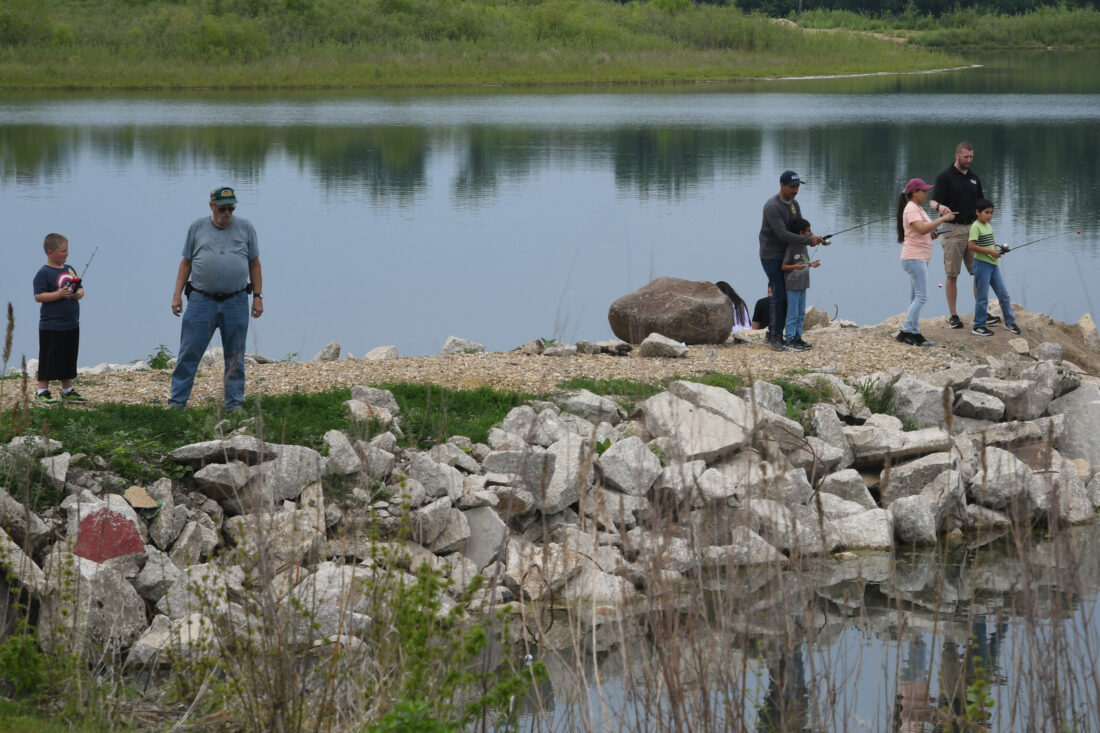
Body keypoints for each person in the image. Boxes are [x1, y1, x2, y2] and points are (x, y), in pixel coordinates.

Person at [169, 186, 264, 411]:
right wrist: (176, 295)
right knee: (189, 353)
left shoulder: (246, 228)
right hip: (201, 301)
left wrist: (258, 297)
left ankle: (234, 405)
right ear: (212, 206)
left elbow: (255, 264)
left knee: (236, 357)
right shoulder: (197, 228)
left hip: (236, 301)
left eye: (231, 208)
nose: (227, 213)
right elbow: (185, 263)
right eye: (223, 209)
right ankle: (176, 403)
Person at [929, 141, 1000, 329]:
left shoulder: (974, 178)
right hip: (952, 230)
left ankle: (982, 312)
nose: (968, 160)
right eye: (965, 157)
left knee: (980, 272)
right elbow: (933, 202)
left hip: (973, 229)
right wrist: (940, 207)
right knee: (952, 274)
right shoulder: (944, 176)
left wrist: (987, 228)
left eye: (971, 157)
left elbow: (981, 205)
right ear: (957, 156)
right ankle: (954, 316)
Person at [759, 170, 823, 351]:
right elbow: (782, 234)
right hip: (772, 255)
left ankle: (781, 333)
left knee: (789, 297)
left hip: (791, 253)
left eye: (797, 187)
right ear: (782, 185)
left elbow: (799, 227)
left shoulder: (794, 204)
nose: (795, 190)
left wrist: (814, 237)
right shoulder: (772, 207)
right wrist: (807, 240)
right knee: (779, 295)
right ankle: (775, 337)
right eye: (792, 187)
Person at [895, 178, 955, 347]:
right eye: (924, 191)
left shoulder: (918, 208)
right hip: (914, 257)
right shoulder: (911, 208)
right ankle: (905, 332)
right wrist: (942, 219)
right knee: (922, 297)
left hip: (919, 257)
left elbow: (923, 231)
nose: (927, 193)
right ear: (914, 192)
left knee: (915, 297)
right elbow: (921, 229)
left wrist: (933, 234)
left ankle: (915, 332)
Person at [33, 233, 87, 404]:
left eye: (67, 250)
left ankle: (67, 390)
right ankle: (42, 391)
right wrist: (59, 294)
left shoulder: (69, 269)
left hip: (71, 324)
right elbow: (38, 296)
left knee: (69, 357)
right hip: (51, 325)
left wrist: (78, 294)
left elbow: (81, 289)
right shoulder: (43, 273)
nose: (67, 254)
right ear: (51, 253)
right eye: (63, 251)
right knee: (48, 358)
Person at [968, 198, 1020, 337]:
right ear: (978, 212)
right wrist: (990, 252)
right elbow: (971, 246)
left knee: (1004, 295)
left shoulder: (988, 226)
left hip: (993, 265)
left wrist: (996, 252)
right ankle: (978, 326)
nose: (989, 215)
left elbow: (992, 243)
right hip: (981, 265)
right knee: (982, 297)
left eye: (991, 213)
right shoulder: (976, 226)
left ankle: (1009, 322)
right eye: (986, 212)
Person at [781, 217, 820, 352]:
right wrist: (795, 267)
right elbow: (784, 266)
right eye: (808, 231)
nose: (810, 233)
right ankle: (790, 339)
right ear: (800, 233)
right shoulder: (791, 247)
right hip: (792, 286)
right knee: (793, 313)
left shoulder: (804, 246)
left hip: (803, 284)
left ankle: (798, 337)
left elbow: (804, 263)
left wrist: (811, 265)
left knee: (801, 313)